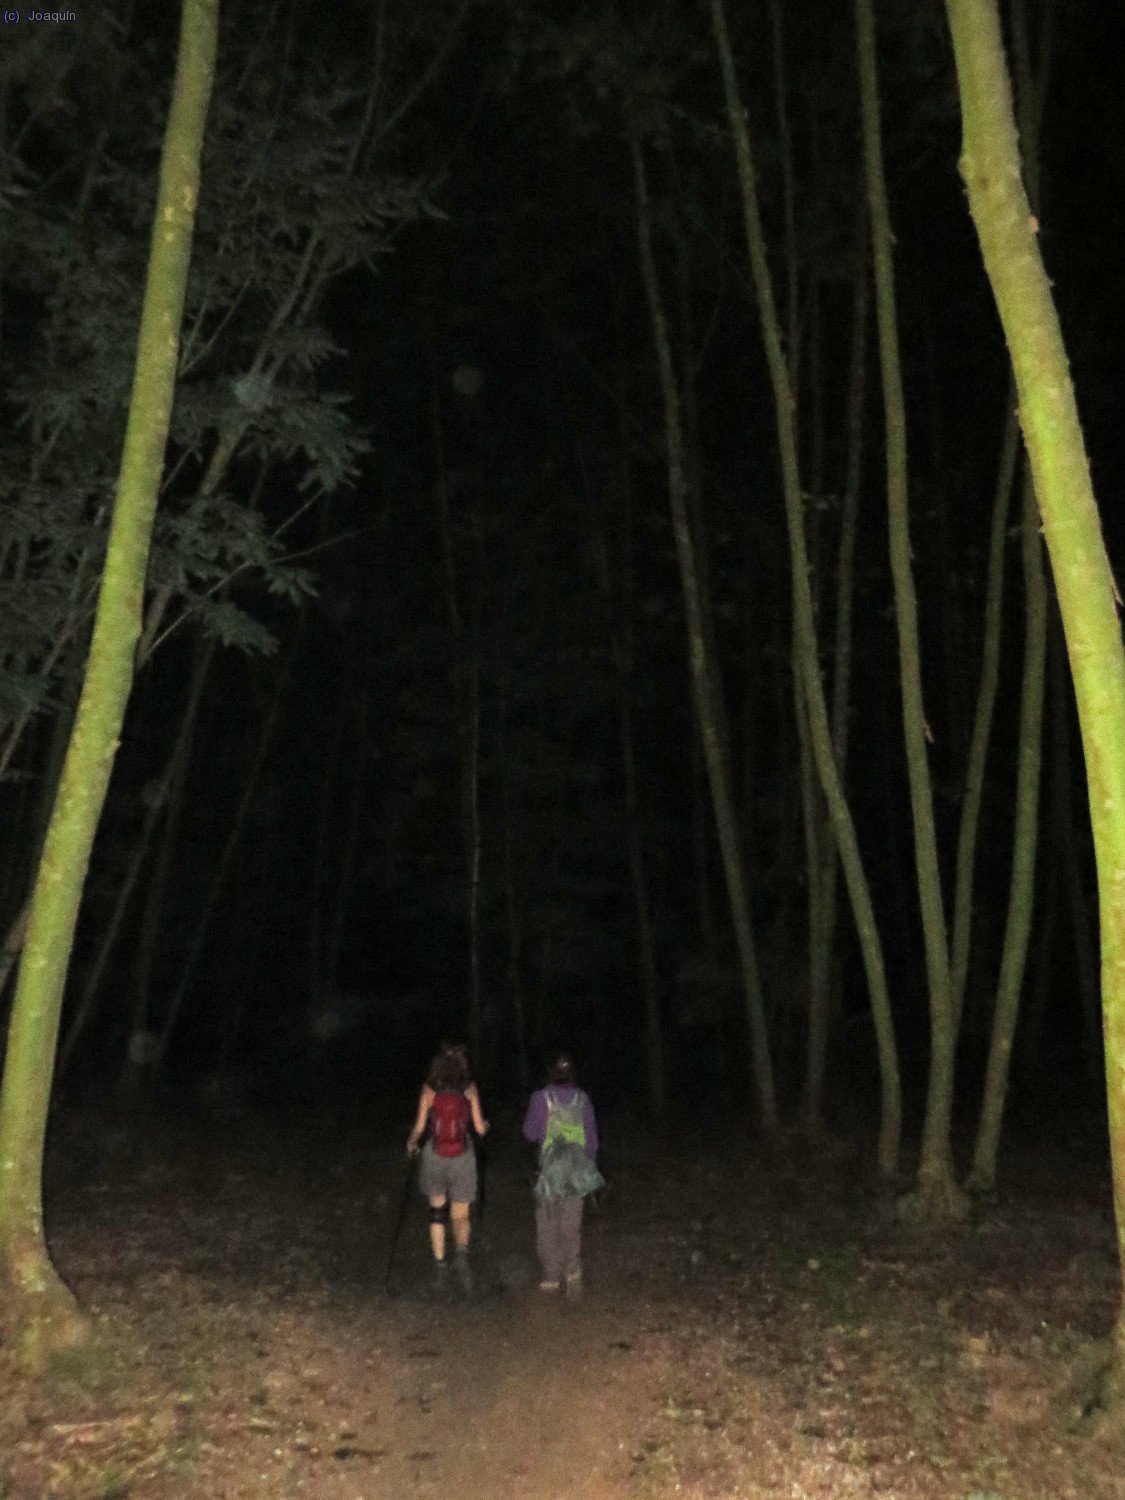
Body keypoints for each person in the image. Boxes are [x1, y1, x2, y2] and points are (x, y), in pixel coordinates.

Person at [406, 1041, 489, 1292]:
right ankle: (462, 1260)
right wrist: (486, 1124)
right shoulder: (469, 1088)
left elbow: (420, 1127)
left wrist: (411, 1144)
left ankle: (440, 1266)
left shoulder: (429, 1089)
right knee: (461, 1213)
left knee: (437, 1211)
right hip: (462, 1155)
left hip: (435, 1154)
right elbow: (479, 1129)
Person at [522, 1049, 604, 1300]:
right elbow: (592, 1141)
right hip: (576, 1172)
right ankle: (573, 1275)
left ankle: (551, 1276)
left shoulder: (540, 1098)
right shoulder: (583, 1099)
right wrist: (589, 1167)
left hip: (549, 1171)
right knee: (572, 1223)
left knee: (547, 1222)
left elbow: (530, 1133)